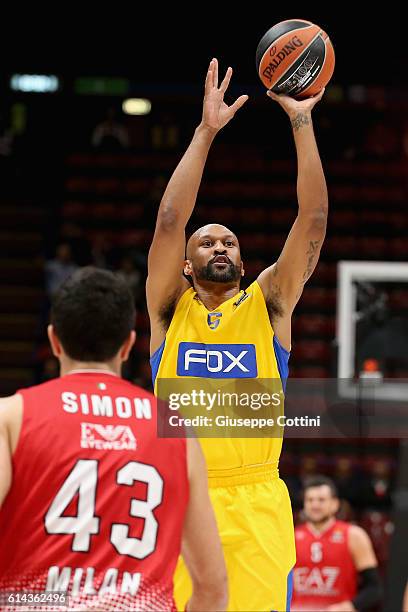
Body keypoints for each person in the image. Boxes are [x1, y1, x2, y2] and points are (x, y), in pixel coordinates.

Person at [147, 57, 327, 611]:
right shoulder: (167, 312)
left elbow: (313, 220)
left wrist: (301, 119)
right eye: (207, 243)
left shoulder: (270, 304)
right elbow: (170, 222)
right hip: (181, 495)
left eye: (229, 242)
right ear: (185, 264)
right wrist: (205, 132)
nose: (220, 246)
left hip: (256, 500)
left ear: (244, 262)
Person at [0, 267, 227, 612]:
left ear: (54, 341)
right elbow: (212, 588)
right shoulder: (177, 428)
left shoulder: (11, 417)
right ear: (128, 345)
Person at [291, 476, 382, 611]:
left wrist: (348, 607)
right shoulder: (291, 537)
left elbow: (374, 589)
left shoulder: (353, 535)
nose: (315, 505)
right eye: (310, 500)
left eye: (321, 500)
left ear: (335, 504)